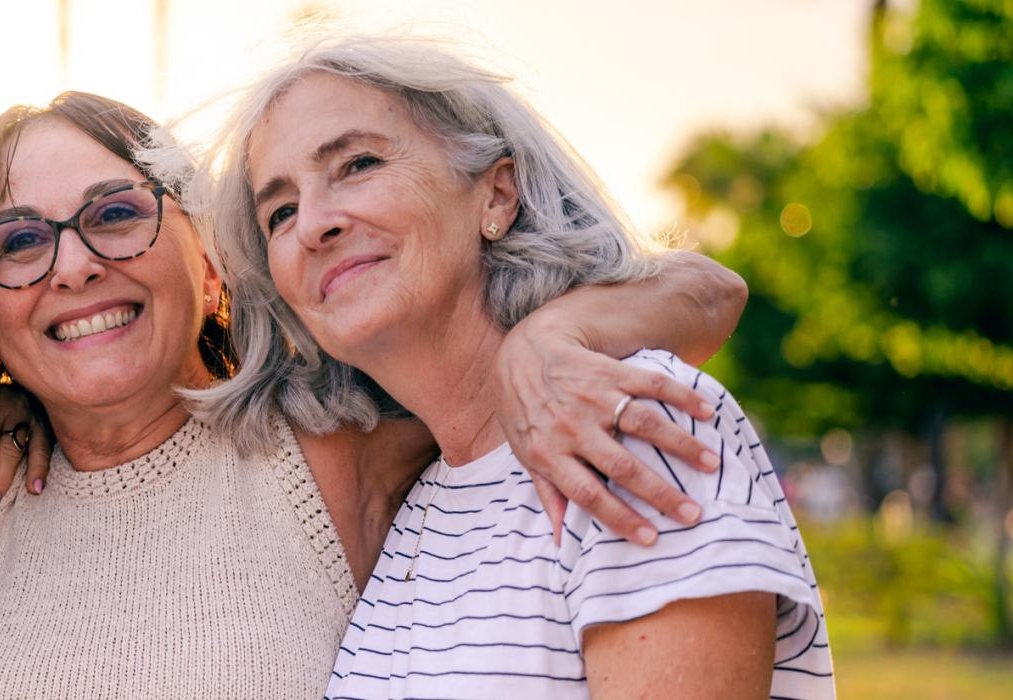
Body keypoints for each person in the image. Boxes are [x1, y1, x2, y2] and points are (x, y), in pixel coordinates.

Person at [0, 89, 748, 696]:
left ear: (211, 254)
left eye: (115, 214)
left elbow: (704, 289)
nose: (74, 266)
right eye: (20, 240)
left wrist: (558, 336)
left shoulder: (341, 449)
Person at [205, 34, 833, 698]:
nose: (313, 224)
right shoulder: (421, 499)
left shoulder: (627, 426)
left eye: (358, 164)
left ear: (498, 195)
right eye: (280, 212)